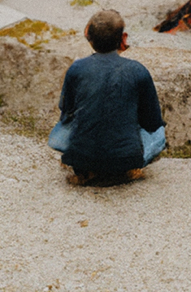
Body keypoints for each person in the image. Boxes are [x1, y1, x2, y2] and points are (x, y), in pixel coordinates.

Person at [48, 10, 166, 185]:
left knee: (63, 128)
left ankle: (88, 169)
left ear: (88, 36)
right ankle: (126, 169)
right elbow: (152, 122)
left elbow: (66, 112)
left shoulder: (76, 68)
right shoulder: (138, 70)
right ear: (123, 38)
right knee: (159, 133)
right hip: (125, 160)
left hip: (81, 159)